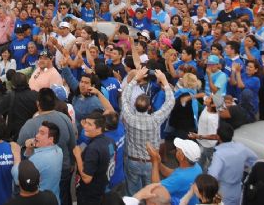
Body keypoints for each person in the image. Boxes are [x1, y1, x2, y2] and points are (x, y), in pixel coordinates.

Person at [120, 67, 175, 195]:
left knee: (133, 193)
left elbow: (125, 97)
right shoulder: (155, 119)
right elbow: (170, 102)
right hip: (151, 162)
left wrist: (135, 78)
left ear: (135, 106)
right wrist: (165, 81)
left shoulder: (129, 117)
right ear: (149, 107)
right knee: (151, 194)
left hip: (132, 161)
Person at [16, 88, 76, 205]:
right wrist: (72, 162)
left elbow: (18, 147)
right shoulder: (64, 118)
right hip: (64, 167)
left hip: (40, 173)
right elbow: (72, 142)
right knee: (64, 195)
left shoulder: (30, 124)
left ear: (38, 104)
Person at [207, 123, 257, 205]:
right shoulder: (241, 147)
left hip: (223, 191)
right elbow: (254, 159)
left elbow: (213, 176)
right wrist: (244, 165)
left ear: (218, 137)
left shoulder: (219, 154)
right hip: (238, 189)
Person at [73, 111, 115, 204]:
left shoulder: (93, 149)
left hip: (90, 195)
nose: (85, 126)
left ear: (99, 128)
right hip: (102, 188)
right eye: (85, 123)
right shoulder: (110, 141)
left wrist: (78, 156)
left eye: (89, 124)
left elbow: (86, 179)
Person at [14, 121, 63, 200]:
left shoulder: (38, 159)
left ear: (50, 139)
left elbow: (18, 179)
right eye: (38, 132)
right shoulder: (58, 150)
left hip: (38, 200)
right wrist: (30, 148)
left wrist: (16, 154)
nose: (36, 135)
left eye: (42, 133)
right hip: (54, 197)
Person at [145, 138, 202, 205]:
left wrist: (154, 162)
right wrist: (158, 162)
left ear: (182, 157)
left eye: (178, 150)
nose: (175, 150)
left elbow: (156, 189)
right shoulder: (196, 167)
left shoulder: (180, 178)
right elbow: (172, 173)